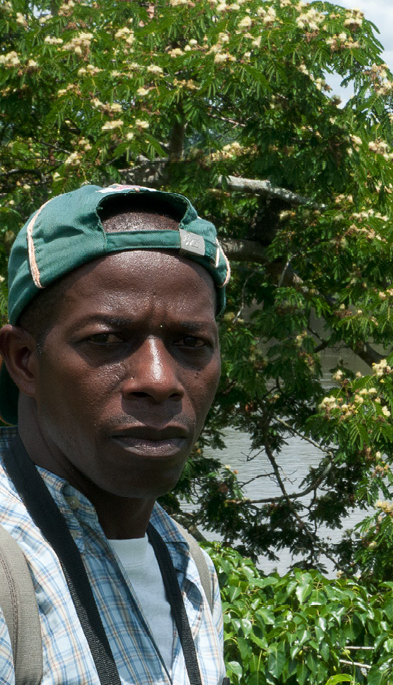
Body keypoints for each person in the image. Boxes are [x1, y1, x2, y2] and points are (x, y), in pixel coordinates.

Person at [0, 183, 231, 683]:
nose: (159, 380)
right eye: (107, 339)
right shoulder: (8, 578)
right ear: (25, 361)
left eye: (191, 342)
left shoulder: (190, 568)